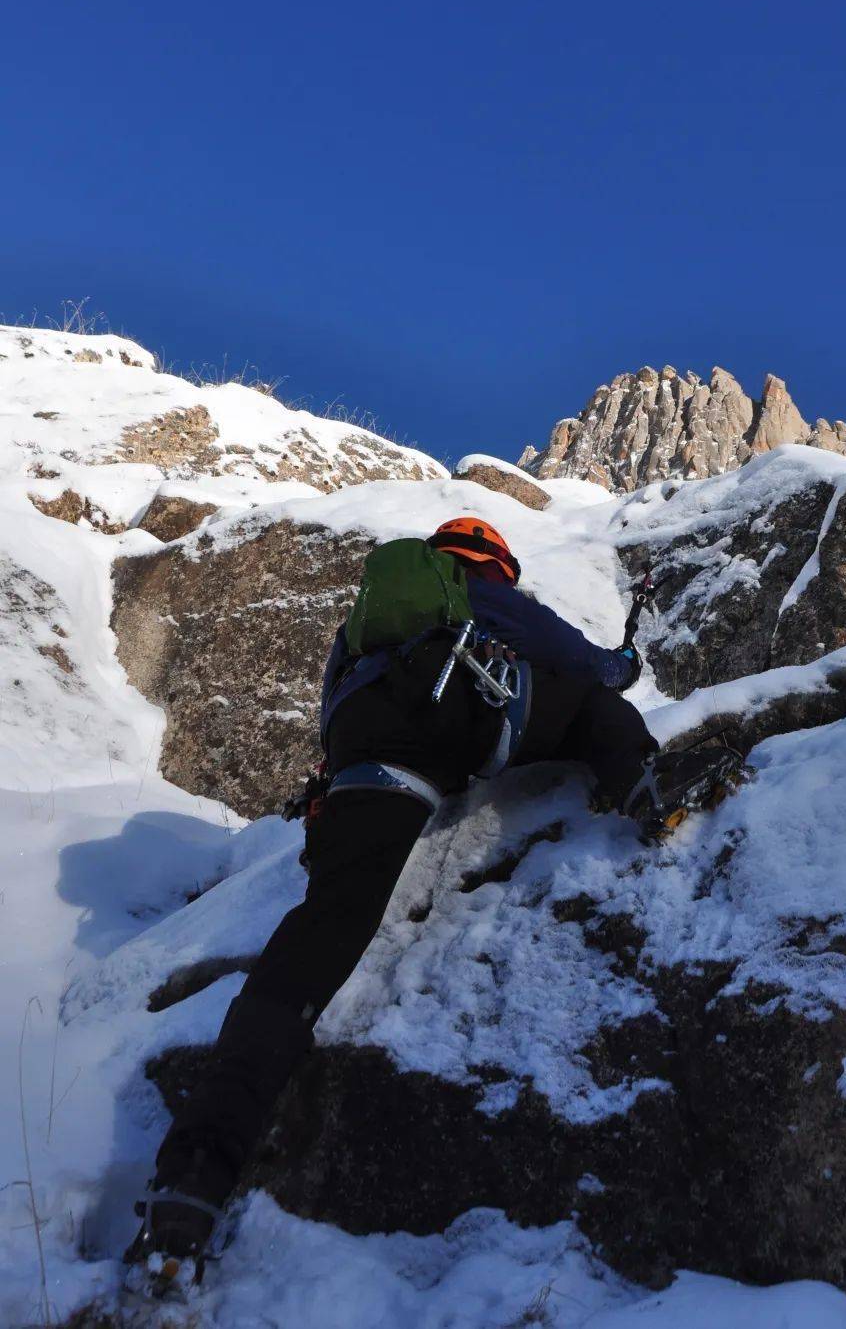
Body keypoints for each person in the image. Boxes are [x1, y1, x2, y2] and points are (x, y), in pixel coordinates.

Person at [131, 516, 664, 1272]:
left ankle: (192, 1183)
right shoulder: (480, 589)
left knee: (315, 947)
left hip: (369, 758)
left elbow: (330, 713)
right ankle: (645, 783)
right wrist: (618, 667)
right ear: (492, 562)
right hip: (462, 723)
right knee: (584, 700)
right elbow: (571, 658)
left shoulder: (364, 627)